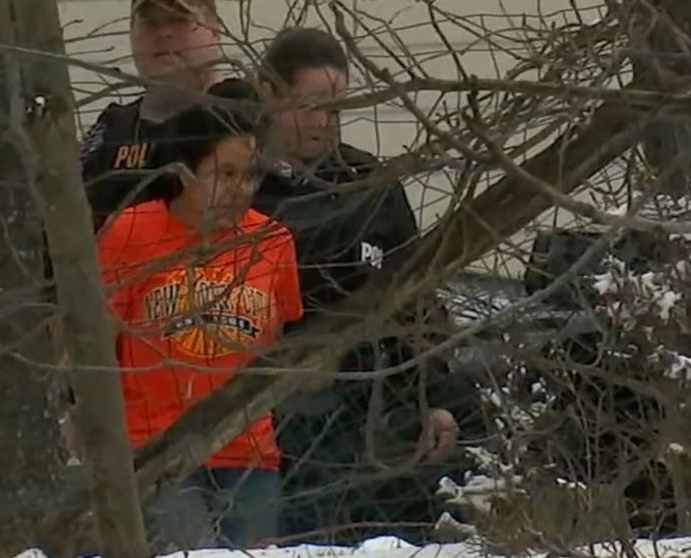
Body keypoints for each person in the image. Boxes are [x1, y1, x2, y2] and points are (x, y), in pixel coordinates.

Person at [250, 27, 479, 544]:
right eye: (310, 106)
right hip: (267, 406)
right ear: (267, 93)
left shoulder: (368, 183)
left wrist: (438, 395)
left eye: (336, 109)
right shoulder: (235, 187)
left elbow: (417, 299)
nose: (324, 123)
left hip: (368, 403)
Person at [96, 79, 302, 552]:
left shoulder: (272, 242)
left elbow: (275, 341)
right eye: (223, 174)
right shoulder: (131, 232)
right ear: (185, 173)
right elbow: (95, 344)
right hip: (157, 447)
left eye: (249, 175)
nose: (239, 189)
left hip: (248, 449)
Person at [80, 0, 230, 228]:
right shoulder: (109, 130)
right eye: (149, 23)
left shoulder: (248, 119)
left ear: (215, 29)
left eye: (178, 19)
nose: (163, 33)